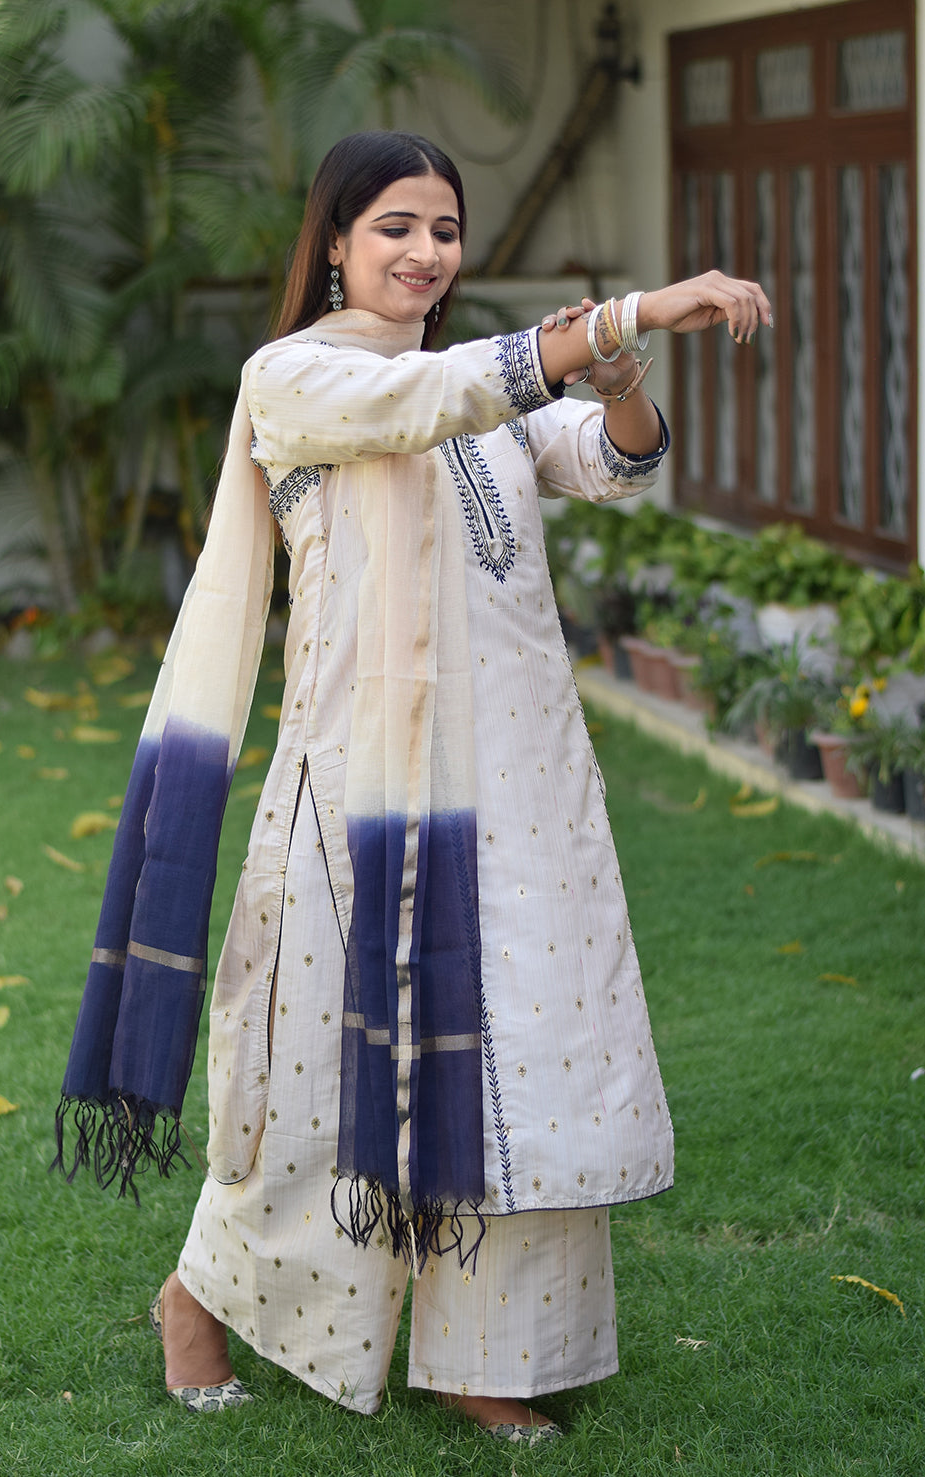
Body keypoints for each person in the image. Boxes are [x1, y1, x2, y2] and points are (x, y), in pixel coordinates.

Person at [56, 130, 771, 1443]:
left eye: (443, 228)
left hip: (520, 783)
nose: (424, 251)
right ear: (333, 240)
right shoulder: (301, 377)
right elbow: (427, 400)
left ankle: (478, 1349)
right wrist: (634, 307)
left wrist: (615, 380)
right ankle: (197, 1294)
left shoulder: (474, 388)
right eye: (394, 225)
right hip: (364, 797)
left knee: (525, 1063)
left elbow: (602, 456)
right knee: (325, 1077)